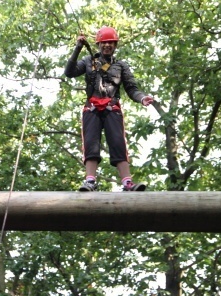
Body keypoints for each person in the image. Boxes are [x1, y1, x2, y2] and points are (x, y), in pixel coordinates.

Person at [64, 26, 154, 192]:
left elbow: (132, 88)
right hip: (92, 107)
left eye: (111, 42)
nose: (107, 45)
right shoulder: (88, 61)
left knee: (118, 142)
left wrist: (142, 98)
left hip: (112, 107)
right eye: (104, 42)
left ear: (115, 45)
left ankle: (127, 182)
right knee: (91, 142)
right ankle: (90, 181)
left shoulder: (121, 66)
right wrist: (78, 48)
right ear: (98, 45)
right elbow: (69, 72)